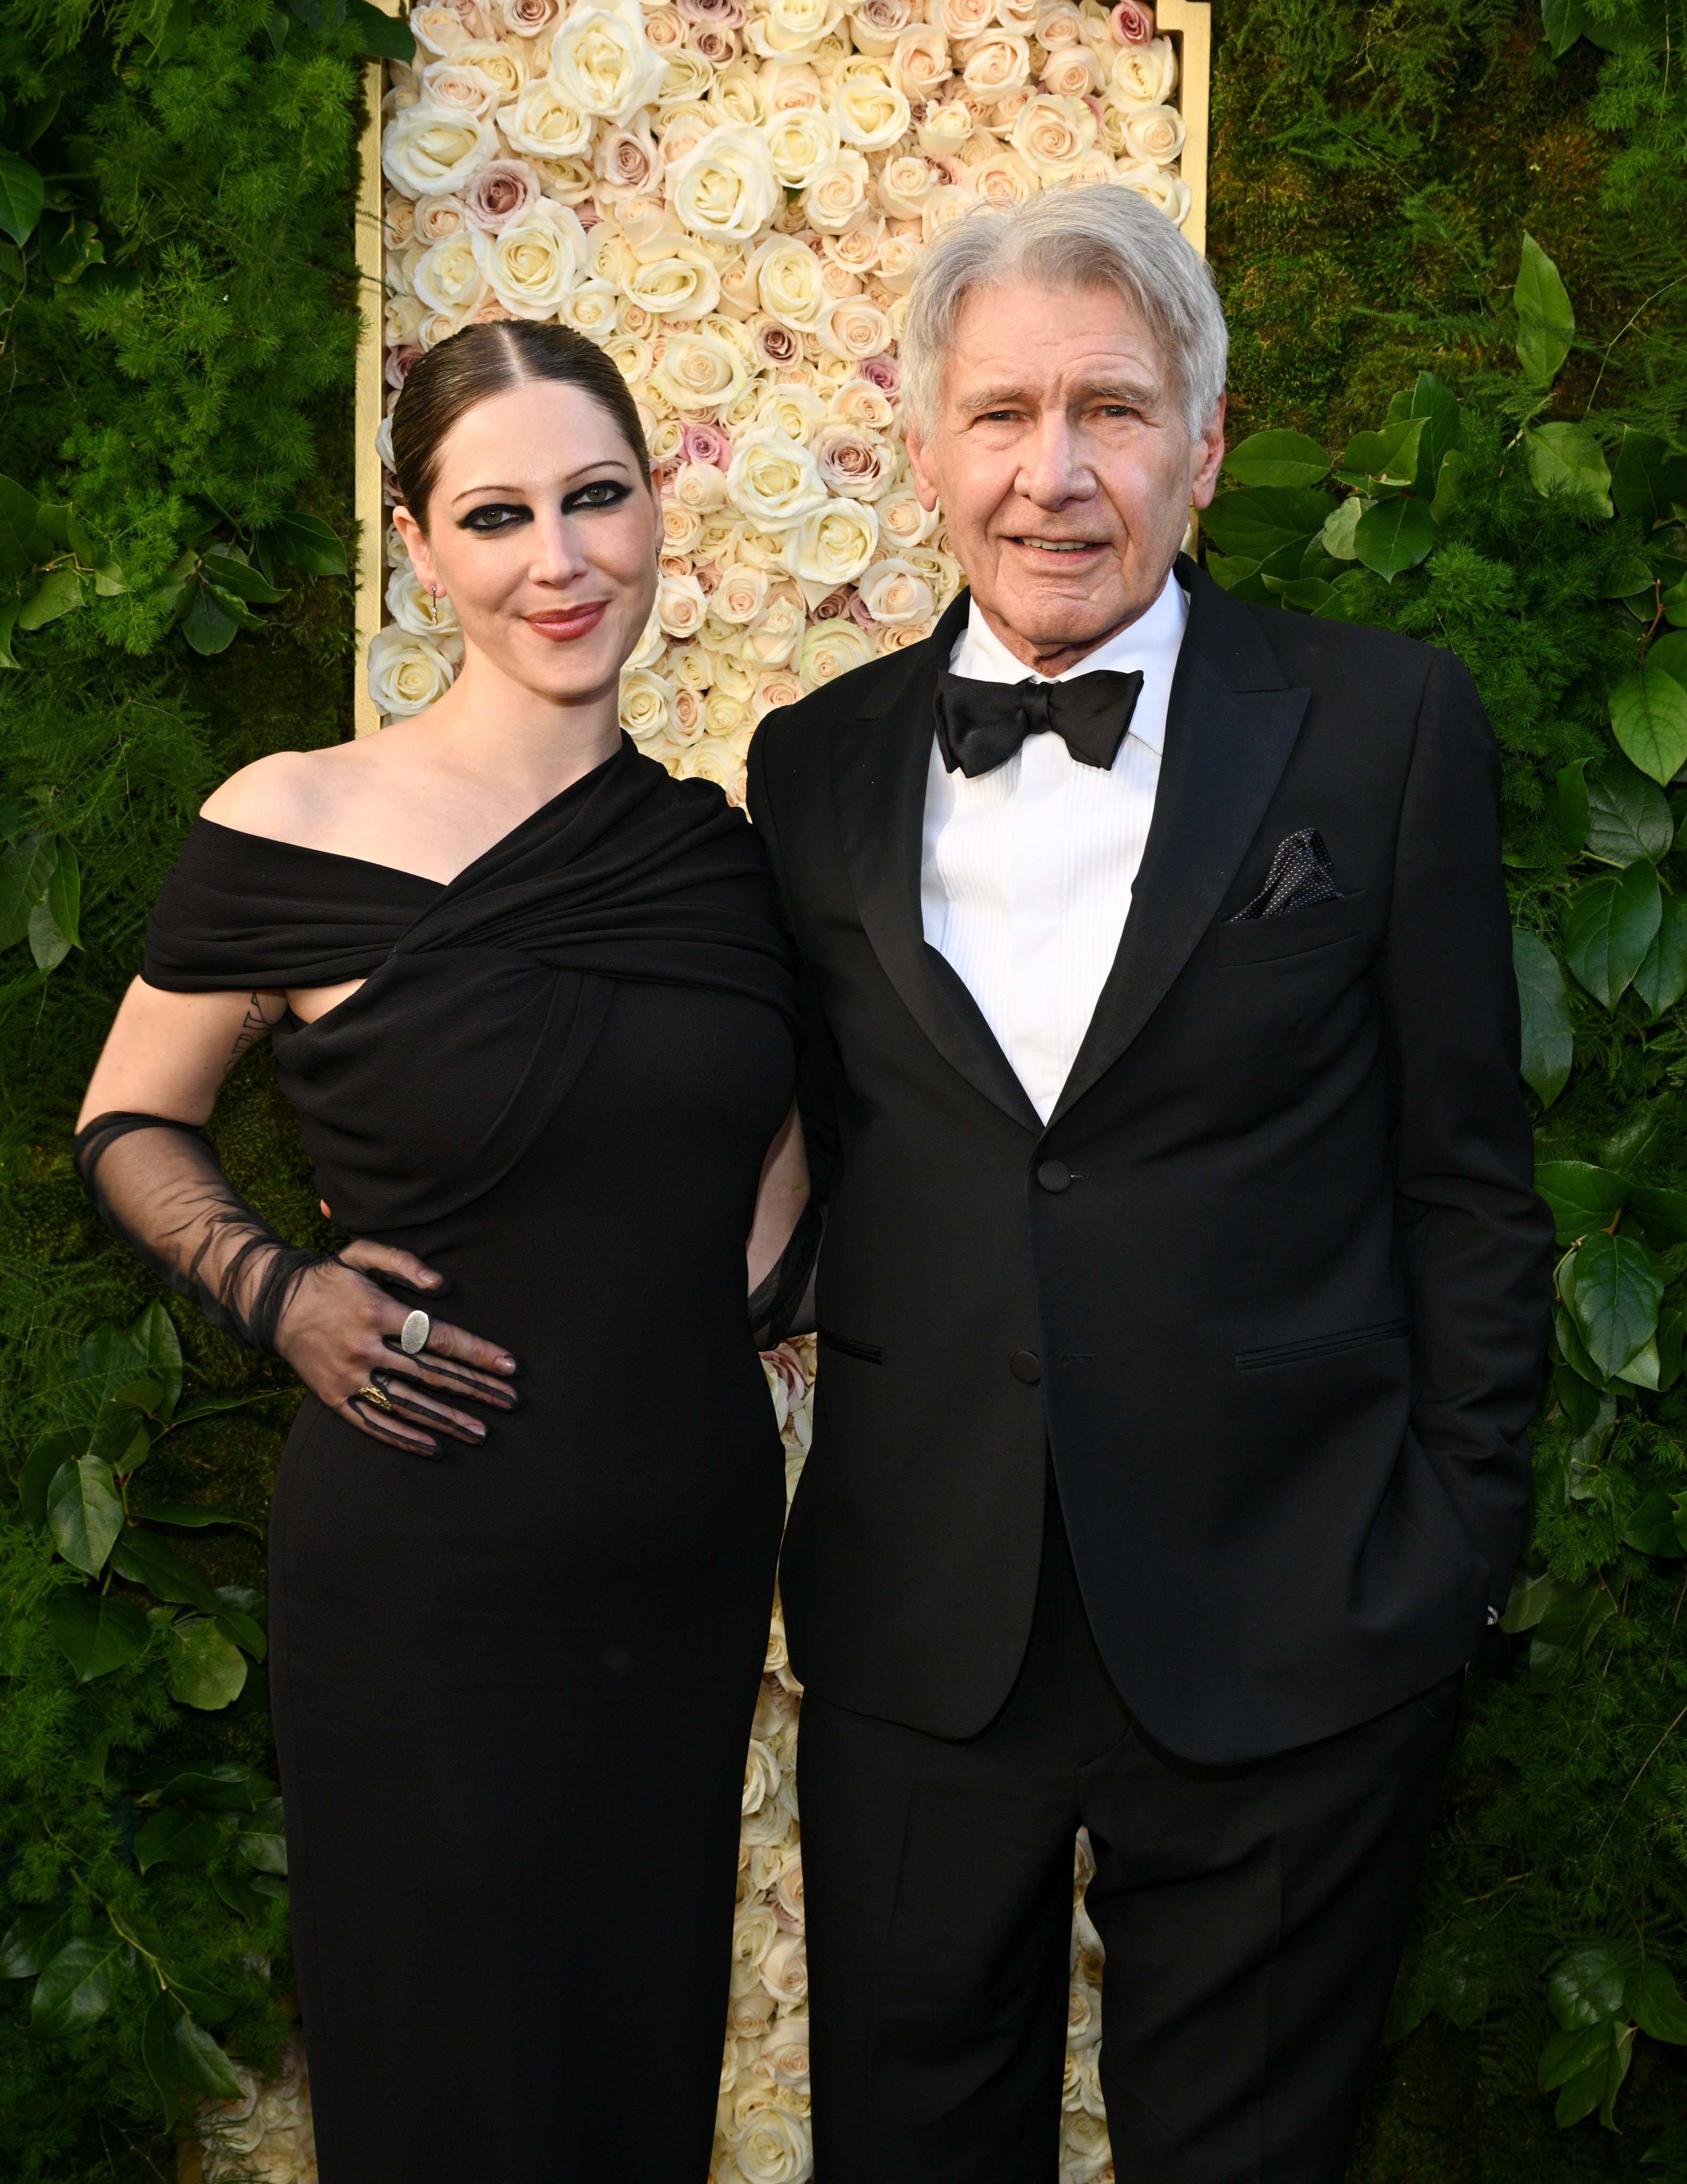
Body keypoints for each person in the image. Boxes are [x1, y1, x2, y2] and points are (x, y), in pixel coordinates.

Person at [748, 186, 1554, 2183]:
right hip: (923, 1639)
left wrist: (1442, 1555)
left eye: (1109, 408)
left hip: (1298, 1626)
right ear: (921, 441)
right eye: (1003, 412)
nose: (1054, 473)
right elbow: (818, 1156)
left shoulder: (1382, 727)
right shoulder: (808, 768)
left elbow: (1466, 1179)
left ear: (1202, 442)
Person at [75, 322, 814, 2181]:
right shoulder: (287, 819)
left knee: (632, 2067)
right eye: (497, 515)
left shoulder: (727, 859)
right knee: (443, 2086)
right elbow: (126, 1121)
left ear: (659, 508)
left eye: (596, 498)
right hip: (421, 1553)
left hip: (684, 1549)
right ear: (417, 545)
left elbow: (780, 1177)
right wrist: (282, 1291)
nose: (558, 562)